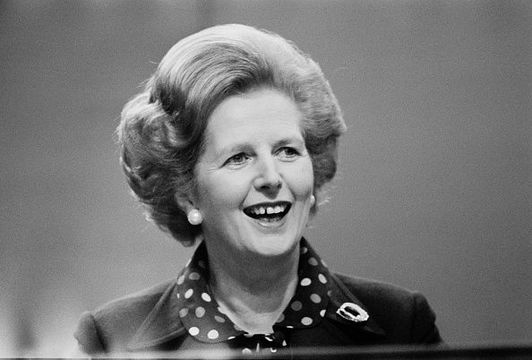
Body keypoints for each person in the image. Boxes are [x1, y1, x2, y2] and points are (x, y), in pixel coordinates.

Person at [74, 24, 442, 355]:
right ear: (186, 193)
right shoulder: (110, 339)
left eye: (287, 150)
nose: (271, 176)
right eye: (239, 157)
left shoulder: (401, 326)